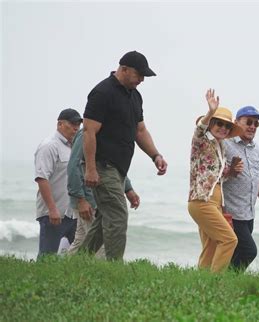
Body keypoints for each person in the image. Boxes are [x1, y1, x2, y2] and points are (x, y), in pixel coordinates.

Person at [81, 50, 167, 260]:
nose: (142, 80)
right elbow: (88, 131)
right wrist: (91, 169)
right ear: (124, 69)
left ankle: (77, 262)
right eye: (139, 75)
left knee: (104, 221)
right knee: (118, 216)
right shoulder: (102, 92)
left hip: (119, 170)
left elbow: (140, 131)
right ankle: (114, 268)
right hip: (102, 166)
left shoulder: (135, 96)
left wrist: (155, 155)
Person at [187, 89, 243, 272]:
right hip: (202, 201)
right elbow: (199, 130)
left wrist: (232, 171)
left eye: (227, 126)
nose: (223, 128)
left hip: (214, 203)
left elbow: (217, 175)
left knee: (211, 246)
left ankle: (202, 281)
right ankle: (215, 282)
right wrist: (210, 111)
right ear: (211, 123)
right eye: (218, 123)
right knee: (229, 239)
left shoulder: (221, 147)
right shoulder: (202, 140)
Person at [223, 105, 259, 271]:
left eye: (256, 124)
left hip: (248, 215)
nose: (253, 126)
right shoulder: (226, 145)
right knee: (249, 251)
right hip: (231, 214)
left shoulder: (256, 149)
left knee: (236, 253)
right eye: (248, 122)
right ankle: (226, 279)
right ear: (236, 122)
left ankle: (223, 283)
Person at [67, 128, 140, 257]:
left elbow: (115, 167)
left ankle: (71, 268)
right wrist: (80, 200)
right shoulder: (87, 132)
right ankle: (103, 271)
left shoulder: (112, 133)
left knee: (80, 241)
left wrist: (128, 189)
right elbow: (74, 165)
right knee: (100, 249)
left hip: (102, 199)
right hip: (89, 200)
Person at [34, 108, 82, 259]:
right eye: (72, 123)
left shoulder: (74, 147)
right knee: (47, 257)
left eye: (78, 124)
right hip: (54, 213)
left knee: (78, 257)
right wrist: (52, 209)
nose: (76, 128)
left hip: (72, 213)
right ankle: (39, 281)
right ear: (60, 124)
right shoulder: (49, 146)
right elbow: (42, 178)